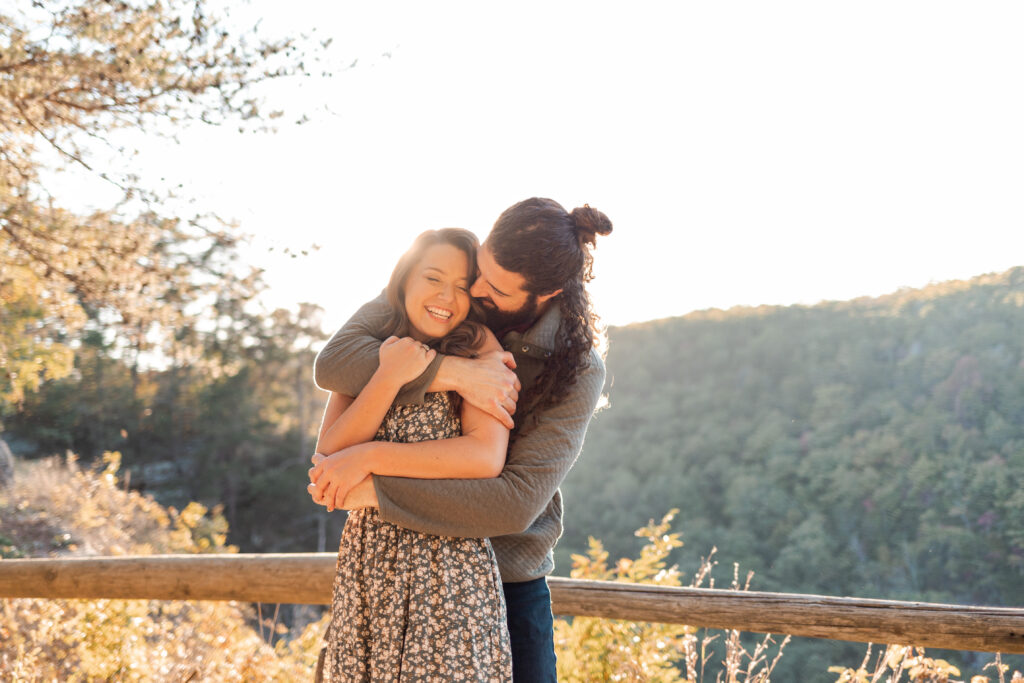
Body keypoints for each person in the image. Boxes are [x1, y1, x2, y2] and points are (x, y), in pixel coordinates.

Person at [312, 197, 612, 682]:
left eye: (493, 286)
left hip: (507, 573)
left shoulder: (577, 370)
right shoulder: (446, 291)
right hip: (392, 565)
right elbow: (334, 364)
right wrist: (452, 373)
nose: (474, 289)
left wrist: (375, 486)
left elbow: (512, 504)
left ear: (548, 292)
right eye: (481, 269)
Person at [309, 228, 513, 682]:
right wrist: (389, 374)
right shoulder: (369, 350)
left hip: (447, 566)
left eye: (463, 286)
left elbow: (484, 456)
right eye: (433, 278)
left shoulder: (478, 344)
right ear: (403, 281)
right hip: (369, 564)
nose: (447, 296)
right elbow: (328, 460)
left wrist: (371, 457)